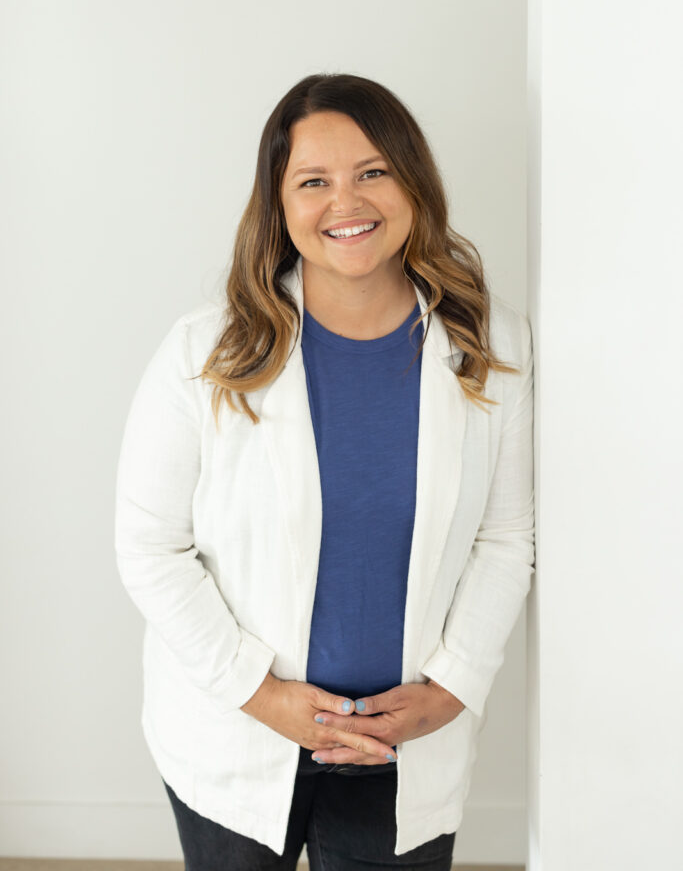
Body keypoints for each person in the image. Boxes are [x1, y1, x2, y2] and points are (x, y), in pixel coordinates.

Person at [114, 72, 535, 870]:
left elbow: (507, 537)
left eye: (372, 172)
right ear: (279, 204)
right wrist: (260, 695)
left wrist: (451, 688)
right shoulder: (204, 352)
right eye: (313, 181)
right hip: (234, 730)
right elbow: (149, 547)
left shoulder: (492, 344)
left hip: (402, 743)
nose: (347, 202)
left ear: (413, 182)